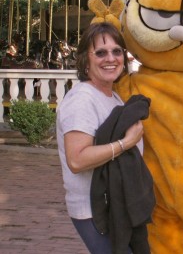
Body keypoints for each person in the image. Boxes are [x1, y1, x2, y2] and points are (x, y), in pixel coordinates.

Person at [56, 22, 146, 254]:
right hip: (93, 210)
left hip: (114, 207)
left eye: (117, 51)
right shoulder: (82, 99)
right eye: (101, 52)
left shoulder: (112, 97)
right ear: (85, 60)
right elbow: (77, 160)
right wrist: (125, 143)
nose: (111, 58)